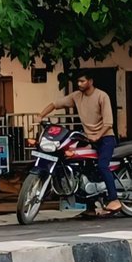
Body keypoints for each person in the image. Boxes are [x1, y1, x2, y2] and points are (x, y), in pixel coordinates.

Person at [38, 71, 121, 216]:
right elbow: (55, 104)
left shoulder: (102, 96)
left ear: (90, 81)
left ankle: (114, 200)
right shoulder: (77, 96)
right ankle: (90, 207)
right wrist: (41, 115)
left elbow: (108, 123)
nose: (79, 84)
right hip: (89, 139)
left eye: (82, 81)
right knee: (84, 168)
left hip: (106, 138)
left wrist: (97, 136)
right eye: (78, 82)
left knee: (102, 165)